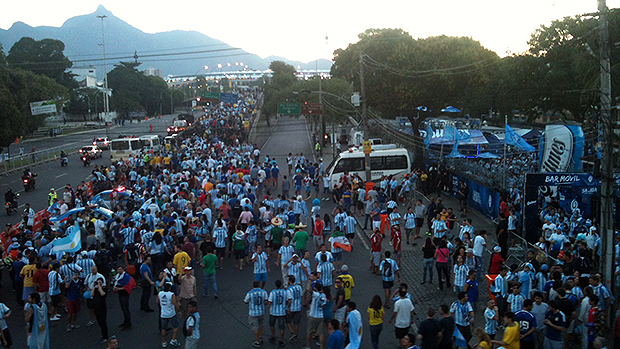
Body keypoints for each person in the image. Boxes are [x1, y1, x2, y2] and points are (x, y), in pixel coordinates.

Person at [244, 281, 269, 347]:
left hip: (253, 313)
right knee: (261, 324)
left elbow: (245, 301)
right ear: (259, 285)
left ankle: (257, 341)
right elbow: (266, 301)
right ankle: (260, 336)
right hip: (261, 311)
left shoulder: (250, 293)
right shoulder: (264, 292)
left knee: (255, 327)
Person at [158, 282, 181, 348]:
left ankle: (164, 342)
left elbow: (157, 301)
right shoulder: (171, 294)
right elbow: (174, 302)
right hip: (171, 313)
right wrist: (178, 310)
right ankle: (173, 339)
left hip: (163, 314)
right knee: (176, 326)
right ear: (170, 288)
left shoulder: (160, 293)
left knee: (163, 328)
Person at [304, 283, 326, 349]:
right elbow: (324, 305)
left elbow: (308, 289)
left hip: (313, 315)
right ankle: (321, 347)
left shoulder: (315, 294)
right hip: (320, 316)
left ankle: (308, 346)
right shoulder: (323, 295)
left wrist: (309, 280)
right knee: (320, 333)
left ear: (315, 288)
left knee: (309, 331)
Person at [112, 266, 135, 330]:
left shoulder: (126, 277)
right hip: (121, 294)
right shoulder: (118, 276)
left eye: (120, 269)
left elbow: (127, 286)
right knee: (123, 309)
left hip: (125, 294)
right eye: (118, 269)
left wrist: (118, 289)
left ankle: (128, 323)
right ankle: (125, 322)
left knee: (126, 309)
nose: (119, 271)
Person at [268, 279, 288, 347]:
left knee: (272, 325)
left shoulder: (272, 292)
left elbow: (270, 302)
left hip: (273, 312)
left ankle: (273, 336)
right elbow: (288, 300)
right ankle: (281, 340)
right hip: (282, 312)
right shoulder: (285, 292)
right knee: (282, 327)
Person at [286, 275, 303, 342]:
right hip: (298, 307)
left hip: (292, 307)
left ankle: (292, 331)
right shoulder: (299, 287)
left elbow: (290, 300)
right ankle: (296, 335)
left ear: (289, 281)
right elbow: (301, 295)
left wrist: (288, 308)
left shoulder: (289, 289)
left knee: (288, 321)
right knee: (296, 322)